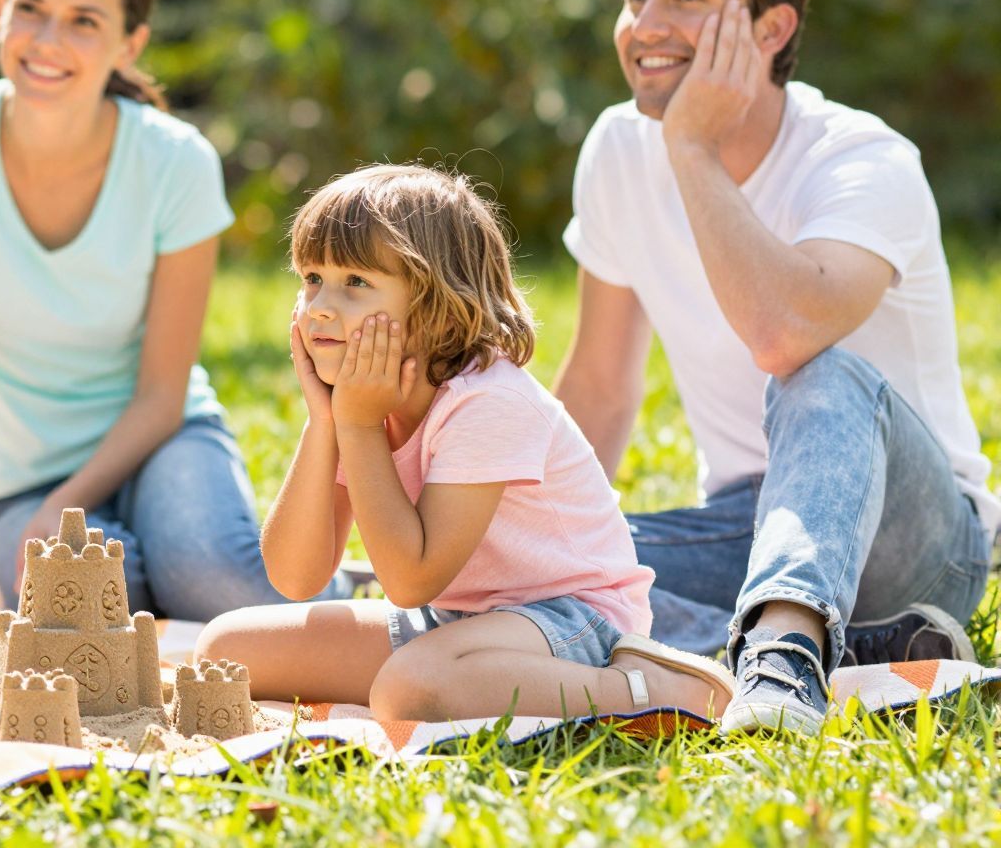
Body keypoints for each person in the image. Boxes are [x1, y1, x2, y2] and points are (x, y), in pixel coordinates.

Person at [553, 0, 997, 735]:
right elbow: (601, 387)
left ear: (771, 28)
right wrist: (523, 542)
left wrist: (692, 147)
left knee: (818, 370)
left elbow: (783, 336)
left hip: (915, 535)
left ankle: (784, 665)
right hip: (748, 525)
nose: (646, 24)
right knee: (533, 579)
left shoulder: (862, 158)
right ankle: (858, 648)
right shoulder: (617, 149)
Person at [0, 0, 346, 619]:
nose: (47, 40)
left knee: (225, 590)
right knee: (85, 601)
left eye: (83, 22)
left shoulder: (176, 162)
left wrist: (68, 504)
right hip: (17, 481)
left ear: (130, 45)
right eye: (30, 9)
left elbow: (162, 390)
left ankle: (333, 586)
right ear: (1, 10)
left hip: (163, 444)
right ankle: (149, 564)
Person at [195, 165, 732, 720]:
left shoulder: (488, 401)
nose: (320, 307)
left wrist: (358, 428)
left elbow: (409, 581)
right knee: (226, 653)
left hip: (574, 620)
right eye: (312, 278)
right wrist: (326, 422)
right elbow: (296, 576)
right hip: (461, 620)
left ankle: (655, 690)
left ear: (434, 302)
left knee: (409, 690)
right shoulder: (361, 402)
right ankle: (465, 680)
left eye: (355, 282)